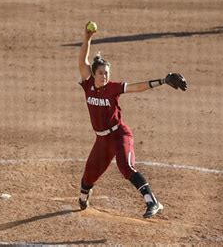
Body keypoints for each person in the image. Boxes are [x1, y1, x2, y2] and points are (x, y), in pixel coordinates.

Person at [77, 22, 187, 218]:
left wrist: (162, 81)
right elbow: (82, 60)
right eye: (101, 73)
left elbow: (137, 87)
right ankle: (84, 194)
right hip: (101, 141)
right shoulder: (88, 85)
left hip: (119, 135)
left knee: (126, 167)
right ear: (93, 74)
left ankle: (152, 202)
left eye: (107, 73)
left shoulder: (113, 88)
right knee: (88, 177)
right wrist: (87, 38)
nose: (104, 76)